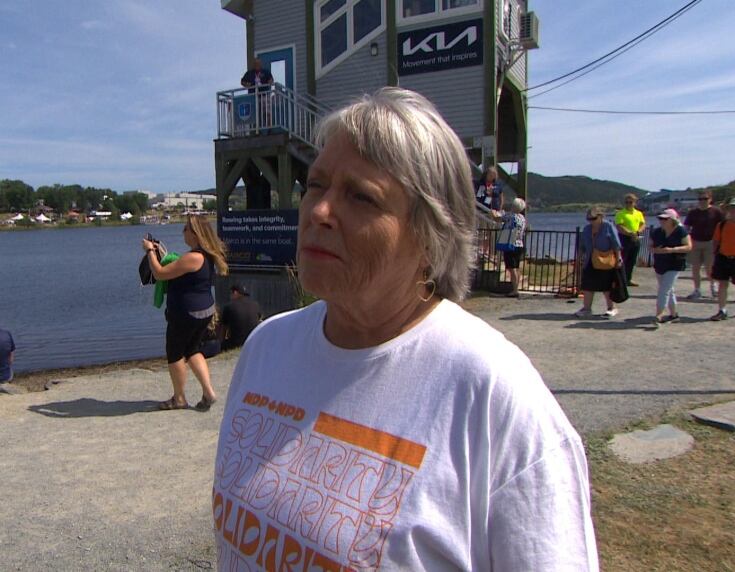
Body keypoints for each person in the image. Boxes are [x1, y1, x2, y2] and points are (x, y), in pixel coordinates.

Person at [212, 88, 598, 570]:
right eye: (315, 185)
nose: (319, 212)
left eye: (361, 197)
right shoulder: (268, 347)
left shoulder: (495, 395)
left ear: (430, 234)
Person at [142, 215, 228, 411]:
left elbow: (160, 273)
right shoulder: (206, 255)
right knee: (192, 349)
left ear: (195, 234)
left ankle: (179, 398)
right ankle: (208, 392)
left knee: (175, 353)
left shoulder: (193, 257)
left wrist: (149, 252)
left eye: (185, 229)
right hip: (203, 310)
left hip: (186, 313)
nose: (183, 232)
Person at [576, 206, 623, 319]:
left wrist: (619, 258)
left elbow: (616, 244)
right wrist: (579, 258)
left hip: (606, 260)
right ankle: (587, 309)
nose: (591, 221)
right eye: (589, 219)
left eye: (593, 218)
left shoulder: (608, 226)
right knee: (587, 286)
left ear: (601, 216)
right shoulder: (587, 229)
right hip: (590, 260)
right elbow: (582, 245)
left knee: (606, 286)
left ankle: (611, 307)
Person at [650, 209, 692, 324]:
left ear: (672, 220)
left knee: (664, 289)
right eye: (660, 218)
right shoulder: (657, 232)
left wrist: (672, 250)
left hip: (675, 263)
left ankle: (659, 314)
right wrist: (656, 250)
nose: (662, 221)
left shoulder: (680, 231)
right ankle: (674, 314)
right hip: (660, 263)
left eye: (665, 219)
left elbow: (688, 246)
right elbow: (650, 246)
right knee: (669, 289)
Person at [683, 190, 723, 299]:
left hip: (710, 242)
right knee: (695, 268)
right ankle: (697, 289)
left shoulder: (716, 212)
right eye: (700, 199)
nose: (702, 201)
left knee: (709, 267)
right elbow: (687, 226)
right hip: (695, 241)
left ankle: (713, 286)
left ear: (710, 199)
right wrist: (687, 239)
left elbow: (722, 226)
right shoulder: (693, 212)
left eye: (705, 199)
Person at [492, 197, 527, 297]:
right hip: (519, 244)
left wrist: (493, 211)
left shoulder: (510, 216)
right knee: (516, 267)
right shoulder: (522, 218)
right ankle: (516, 287)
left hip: (510, 243)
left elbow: (497, 218)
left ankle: (515, 290)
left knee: (511, 268)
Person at [614, 193, 645, 286]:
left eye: (630, 202)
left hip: (636, 238)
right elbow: (619, 226)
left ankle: (628, 279)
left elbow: (642, 224)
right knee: (622, 260)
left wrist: (638, 232)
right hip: (624, 238)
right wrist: (629, 233)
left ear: (635, 203)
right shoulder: (620, 213)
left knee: (632, 260)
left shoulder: (639, 213)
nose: (628, 204)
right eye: (626, 202)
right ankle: (620, 280)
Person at [219, 283, 261, 350]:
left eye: (231, 294)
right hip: (253, 342)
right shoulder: (255, 304)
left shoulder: (229, 306)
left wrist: (221, 343)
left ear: (235, 293)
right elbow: (258, 321)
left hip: (235, 343)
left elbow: (223, 328)